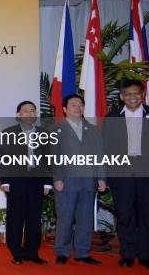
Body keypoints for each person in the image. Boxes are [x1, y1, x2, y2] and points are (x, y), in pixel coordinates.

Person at [102, 79, 149, 270]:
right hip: (122, 173)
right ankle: (127, 255)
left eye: (137, 93)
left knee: (147, 214)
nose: (133, 97)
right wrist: (106, 175)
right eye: (128, 94)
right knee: (125, 215)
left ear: (142, 95)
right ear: (122, 97)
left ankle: (146, 256)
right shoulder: (112, 118)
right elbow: (106, 148)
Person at [52, 94, 106, 265]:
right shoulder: (56, 130)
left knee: (85, 218)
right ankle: (62, 251)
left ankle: (83, 252)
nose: (77, 108)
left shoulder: (93, 130)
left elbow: (100, 155)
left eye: (80, 104)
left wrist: (102, 178)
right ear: (65, 109)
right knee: (65, 217)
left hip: (88, 181)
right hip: (66, 181)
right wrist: (57, 179)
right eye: (73, 105)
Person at [0, 100, 52, 265]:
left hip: (37, 182)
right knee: (15, 219)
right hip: (16, 182)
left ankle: (32, 253)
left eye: (33, 111)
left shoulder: (44, 133)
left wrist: (48, 182)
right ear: (18, 115)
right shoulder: (9, 133)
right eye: (26, 111)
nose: (30, 114)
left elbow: (48, 160)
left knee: (34, 219)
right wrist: (5, 180)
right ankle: (16, 253)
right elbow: (3, 159)